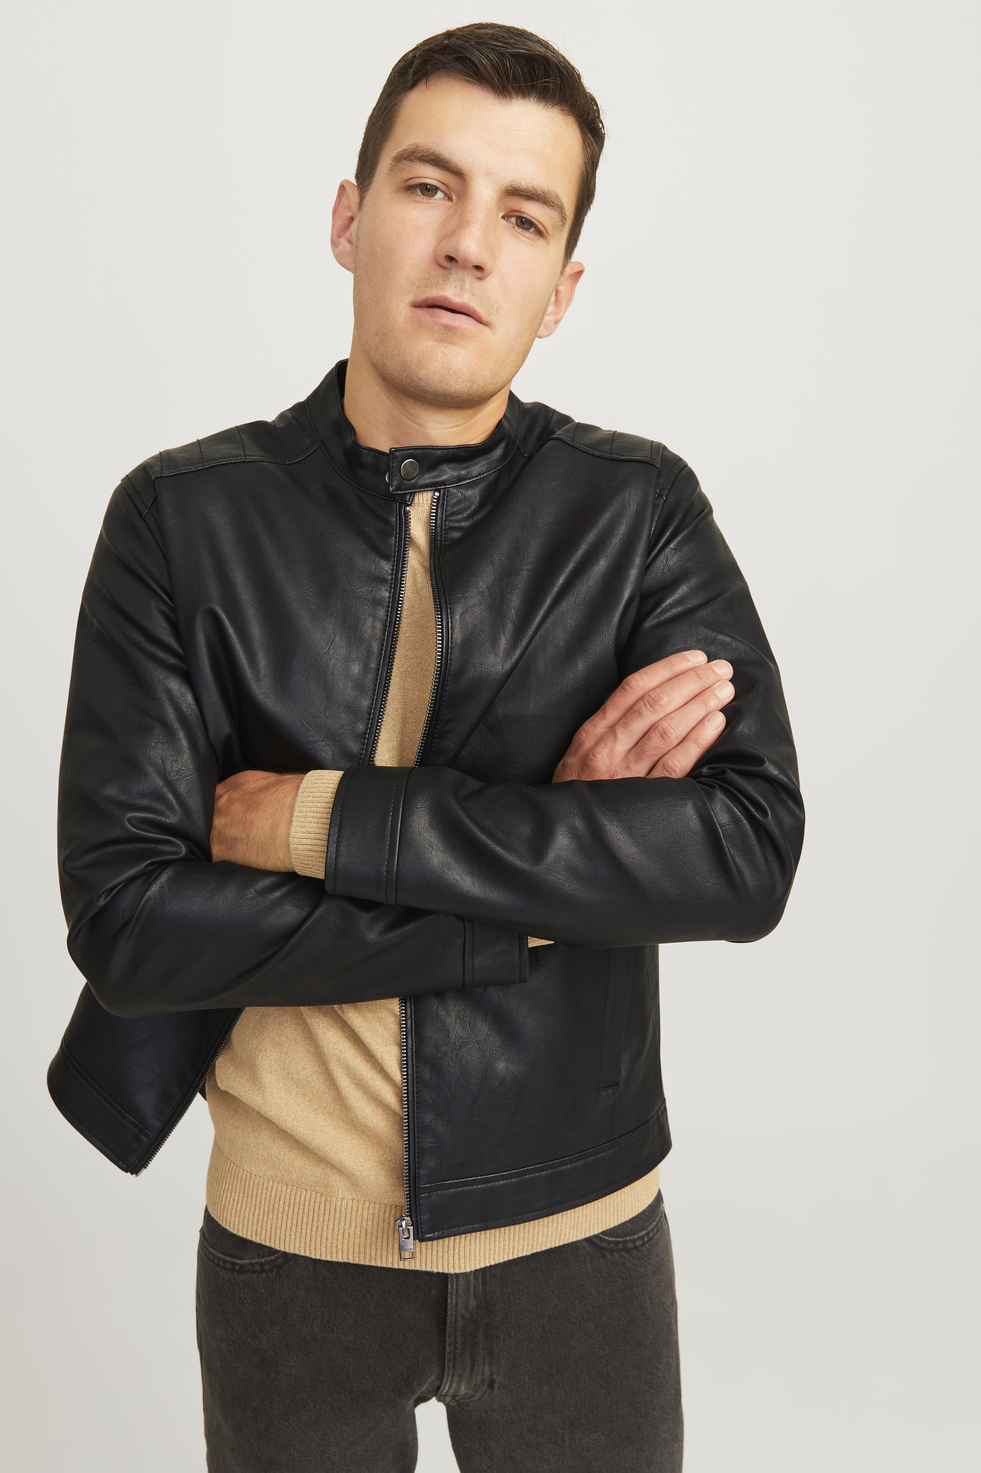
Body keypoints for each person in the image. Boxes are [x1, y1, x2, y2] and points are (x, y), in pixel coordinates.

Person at [50, 22, 804, 1473]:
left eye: (523, 215)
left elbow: (745, 851)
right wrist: (545, 878)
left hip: (579, 1240)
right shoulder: (180, 521)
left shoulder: (636, 513)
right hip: (287, 1254)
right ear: (348, 218)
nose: (467, 243)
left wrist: (321, 823)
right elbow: (131, 922)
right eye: (427, 187)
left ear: (560, 287)